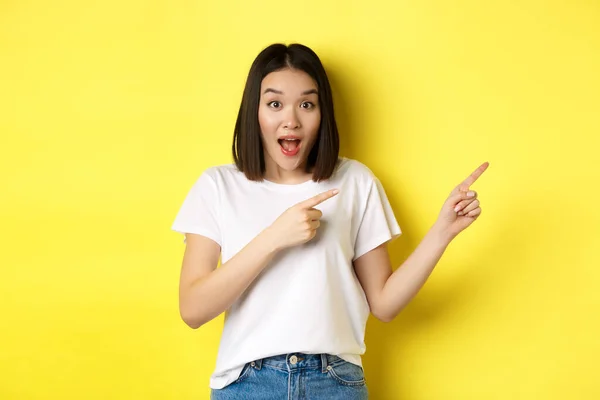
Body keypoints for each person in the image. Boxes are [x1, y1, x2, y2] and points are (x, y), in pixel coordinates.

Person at [171, 43, 488, 400]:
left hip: (334, 383)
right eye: (274, 103)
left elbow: (383, 303)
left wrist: (442, 232)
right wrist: (274, 236)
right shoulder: (217, 186)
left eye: (307, 104)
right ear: (254, 112)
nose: (291, 119)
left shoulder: (355, 181)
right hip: (247, 384)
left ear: (322, 114)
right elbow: (193, 309)